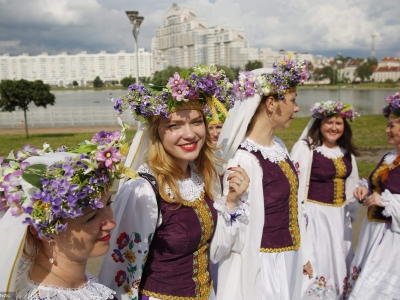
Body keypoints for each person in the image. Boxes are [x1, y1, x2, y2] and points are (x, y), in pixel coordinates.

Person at [98, 65, 250, 300]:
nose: (189, 134)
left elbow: (216, 252)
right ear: (157, 132)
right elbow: (120, 275)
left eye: (196, 122)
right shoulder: (142, 191)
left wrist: (230, 203)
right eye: (174, 125)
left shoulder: (203, 177)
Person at [0, 123, 131, 299]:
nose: (111, 223)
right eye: (91, 217)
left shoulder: (67, 281)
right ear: (45, 232)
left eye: (109, 203)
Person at [215, 57, 310, 300]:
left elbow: (293, 207)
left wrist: (304, 254)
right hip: (260, 265)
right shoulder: (244, 159)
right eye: (292, 100)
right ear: (271, 104)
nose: (296, 108)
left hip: (287, 257)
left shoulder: (278, 146)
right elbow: (235, 226)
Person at [290, 101, 360, 299]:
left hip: (339, 218)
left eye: (338, 123)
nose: (334, 128)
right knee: (317, 259)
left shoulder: (346, 152)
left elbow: (352, 186)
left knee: (338, 259)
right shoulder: (306, 148)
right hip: (315, 216)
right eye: (329, 122)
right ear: (319, 124)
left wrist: (358, 197)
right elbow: (294, 185)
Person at [344, 92, 400, 300]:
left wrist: (384, 201)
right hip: (373, 232)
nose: (387, 130)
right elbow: (377, 181)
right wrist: (364, 188)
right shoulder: (389, 157)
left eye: (392, 125)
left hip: (392, 239)